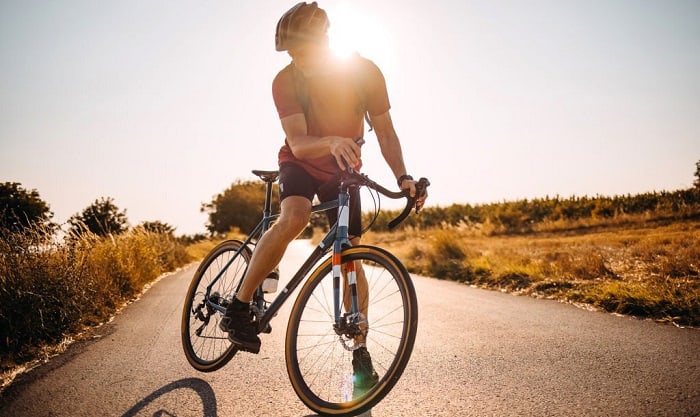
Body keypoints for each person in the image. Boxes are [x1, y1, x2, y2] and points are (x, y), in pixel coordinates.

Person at [220, 1, 427, 389]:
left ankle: (360, 350)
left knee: (351, 255)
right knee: (295, 218)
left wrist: (403, 177)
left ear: (325, 40)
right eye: (290, 53)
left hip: (344, 169)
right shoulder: (285, 80)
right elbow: (298, 144)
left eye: (303, 50)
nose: (297, 59)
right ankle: (238, 306)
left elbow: (385, 130)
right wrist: (331, 139)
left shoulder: (363, 72)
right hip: (302, 162)